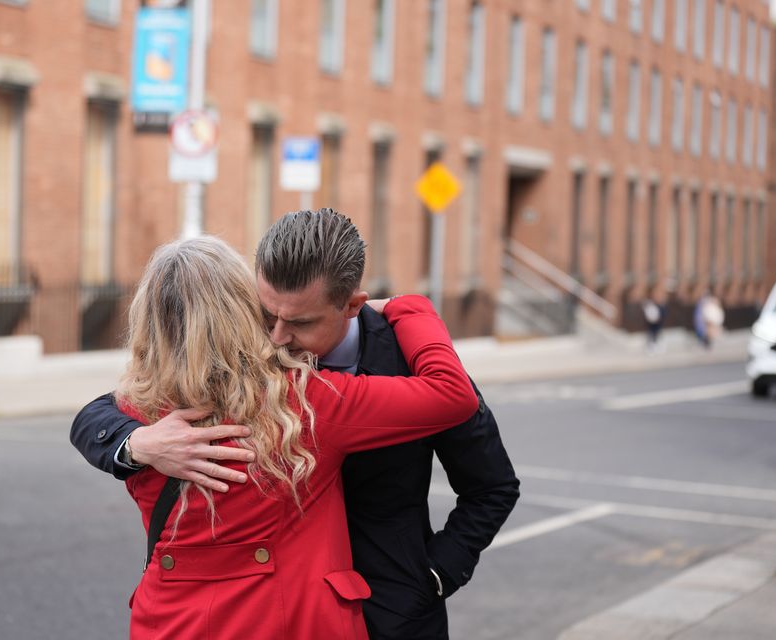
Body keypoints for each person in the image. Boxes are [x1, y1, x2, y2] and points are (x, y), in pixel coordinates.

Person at [71, 209, 520, 639]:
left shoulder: (142, 409)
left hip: (380, 606)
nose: (278, 337)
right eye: (267, 316)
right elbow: (93, 419)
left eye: (300, 321)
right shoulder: (297, 399)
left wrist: (437, 574)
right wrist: (135, 444)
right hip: (295, 613)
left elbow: (491, 483)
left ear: (351, 305)